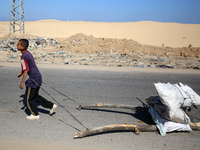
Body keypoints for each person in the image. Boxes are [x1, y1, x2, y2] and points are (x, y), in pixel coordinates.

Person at [17, 39, 57, 120]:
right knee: (35, 96)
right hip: (37, 76)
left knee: (27, 99)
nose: (17, 46)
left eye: (18, 45)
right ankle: (51, 105)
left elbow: (26, 70)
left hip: (33, 78)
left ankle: (35, 115)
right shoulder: (27, 53)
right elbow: (27, 66)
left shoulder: (24, 56)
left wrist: (21, 82)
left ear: (23, 47)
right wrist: (21, 73)